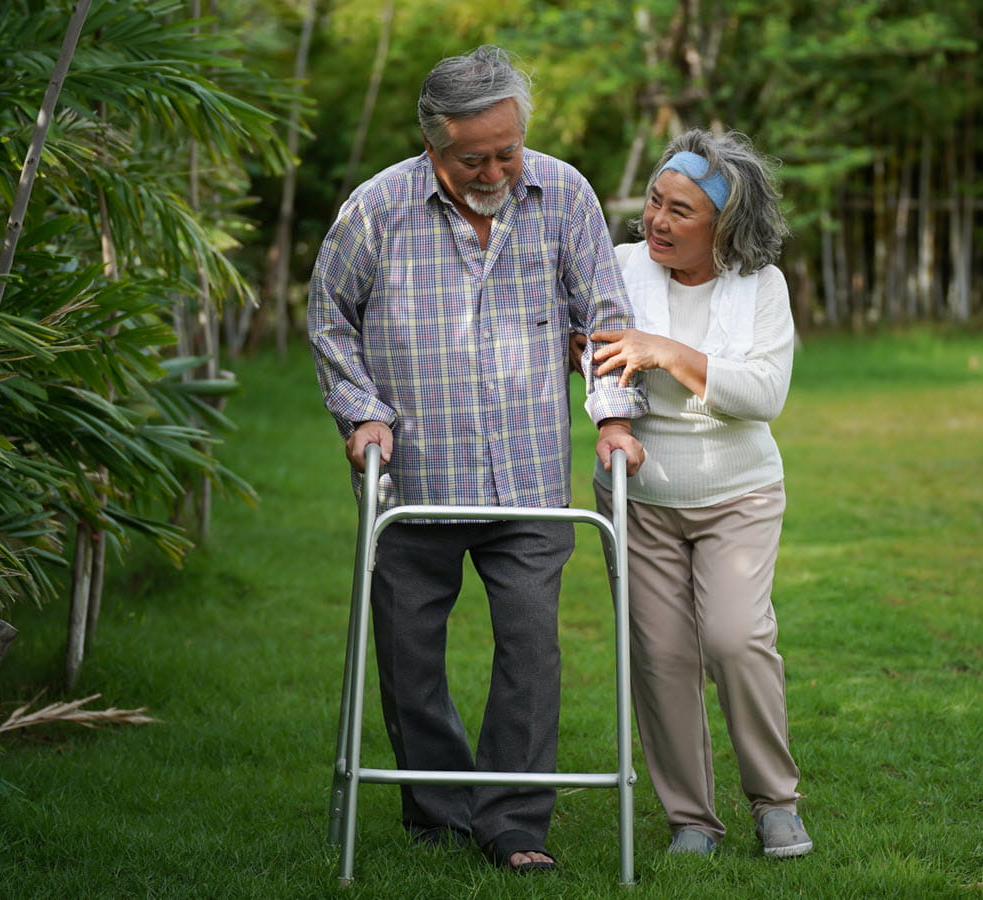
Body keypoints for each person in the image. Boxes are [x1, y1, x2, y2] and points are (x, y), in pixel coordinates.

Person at [307, 45, 646, 874]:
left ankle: (515, 823)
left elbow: (602, 317)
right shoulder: (376, 208)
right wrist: (361, 413)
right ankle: (436, 804)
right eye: (474, 157)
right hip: (415, 475)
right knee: (410, 650)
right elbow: (329, 318)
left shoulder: (562, 193)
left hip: (528, 475)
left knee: (531, 648)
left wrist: (611, 419)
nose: (496, 167)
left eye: (507, 149)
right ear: (434, 145)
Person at [586, 128, 812, 858]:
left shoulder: (761, 285)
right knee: (663, 656)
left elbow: (764, 393)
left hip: (738, 494)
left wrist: (669, 353)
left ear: (724, 227)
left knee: (736, 639)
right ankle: (691, 819)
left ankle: (776, 803)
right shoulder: (619, 268)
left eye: (680, 211)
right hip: (640, 497)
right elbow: (597, 360)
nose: (656, 220)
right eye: (655, 200)